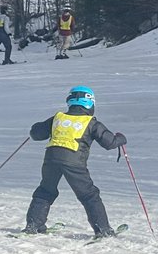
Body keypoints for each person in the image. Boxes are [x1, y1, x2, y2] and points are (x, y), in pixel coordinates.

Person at [24, 85, 127, 238]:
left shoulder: (58, 118)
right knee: (89, 195)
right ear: (91, 103)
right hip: (74, 162)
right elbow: (109, 143)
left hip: (51, 159)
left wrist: (36, 128)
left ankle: (34, 225)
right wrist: (121, 139)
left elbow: (36, 133)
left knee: (45, 190)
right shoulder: (91, 123)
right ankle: (103, 230)